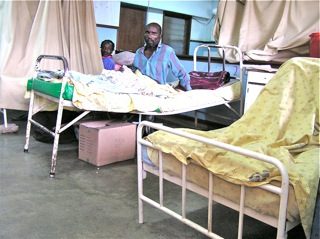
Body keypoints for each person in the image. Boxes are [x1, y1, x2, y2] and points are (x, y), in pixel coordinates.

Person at [133, 22, 192, 91]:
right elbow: (134, 72)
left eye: (154, 33)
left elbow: (182, 73)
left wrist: (189, 91)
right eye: (147, 32)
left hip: (159, 92)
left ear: (160, 36)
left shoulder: (167, 51)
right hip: (140, 91)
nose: (149, 36)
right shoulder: (138, 52)